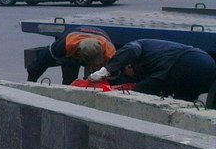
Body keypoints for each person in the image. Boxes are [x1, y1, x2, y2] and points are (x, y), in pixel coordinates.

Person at [87, 38, 216, 102]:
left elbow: (131, 50)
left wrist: (106, 70)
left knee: (140, 92)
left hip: (185, 62)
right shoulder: (152, 60)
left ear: (129, 64)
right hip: (206, 64)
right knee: (182, 104)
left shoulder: (138, 47)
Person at [27, 26, 116, 84]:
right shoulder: (64, 46)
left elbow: (116, 74)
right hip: (73, 51)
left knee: (97, 80)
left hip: (98, 39)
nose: (94, 64)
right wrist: (31, 81)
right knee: (69, 81)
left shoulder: (110, 51)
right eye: (92, 62)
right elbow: (43, 60)